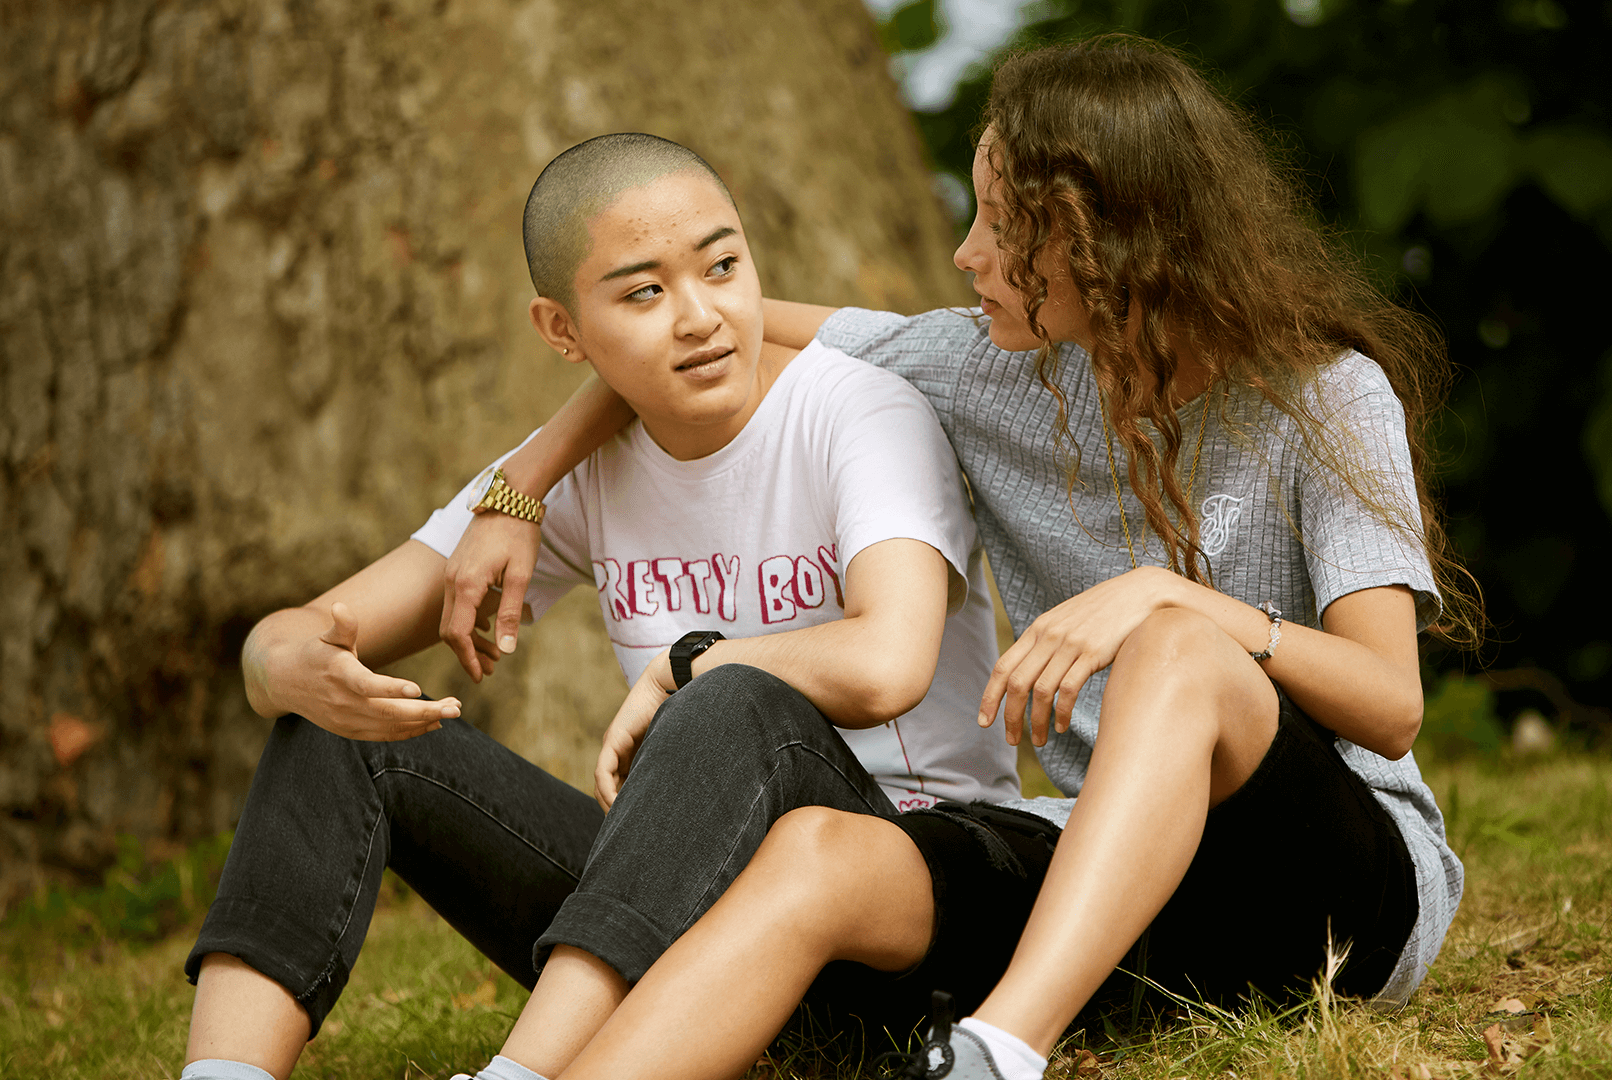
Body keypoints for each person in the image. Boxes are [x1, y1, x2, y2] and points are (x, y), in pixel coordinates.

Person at [442, 34, 1477, 1080]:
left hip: (1340, 904)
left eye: (1003, 227)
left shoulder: (1324, 392)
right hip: (1133, 908)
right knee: (817, 853)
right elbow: (710, 341)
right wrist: (521, 486)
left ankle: (998, 1054)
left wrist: (1187, 606)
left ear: (1105, 242)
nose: (966, 253)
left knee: (1175, 648)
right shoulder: (986, 372)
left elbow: (1389, 704)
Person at [177, 133, 1019, 1080]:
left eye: (724, 266)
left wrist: (689, 661)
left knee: (731, 692)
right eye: (644, 293)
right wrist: (284, 665)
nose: (700, 317)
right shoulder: (561, 476)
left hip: (891, 904)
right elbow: (305, 630)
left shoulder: (861, 414)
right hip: (677, 918)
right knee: (332, 729)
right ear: (562, 330)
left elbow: (889, 663)